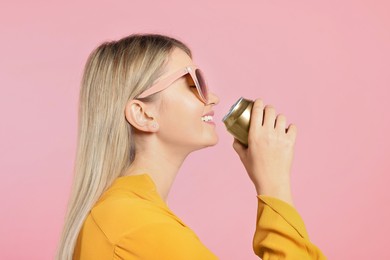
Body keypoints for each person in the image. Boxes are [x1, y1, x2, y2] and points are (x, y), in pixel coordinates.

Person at [56, 33, 326, 259]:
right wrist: (274, 185)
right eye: (193, 82)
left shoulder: (128, 217)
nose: (213, 97)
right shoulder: (133, 224)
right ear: (143, 114)